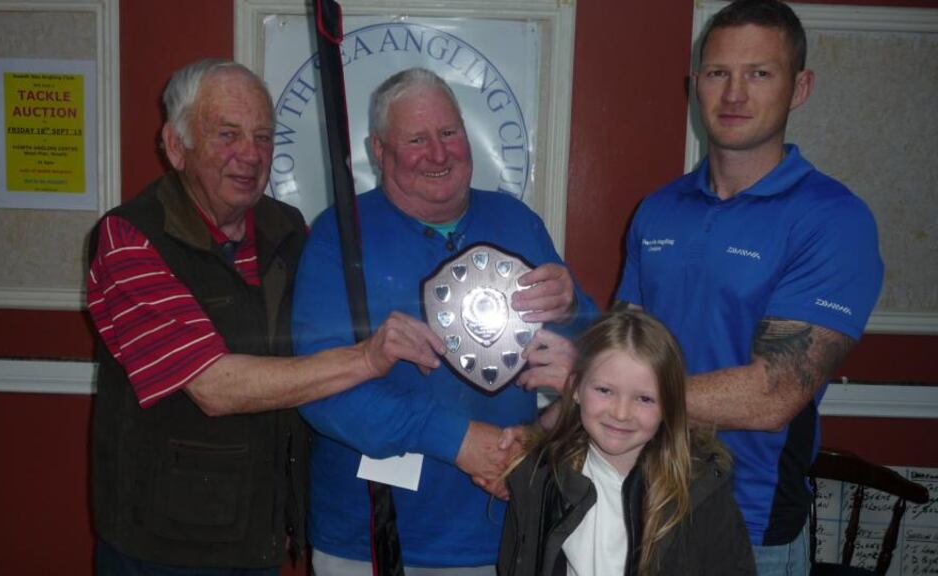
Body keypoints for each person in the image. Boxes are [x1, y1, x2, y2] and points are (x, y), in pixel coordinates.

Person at [86, 59, 444, 575]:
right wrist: (367, 358)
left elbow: (337, 323)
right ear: (175, 144)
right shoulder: (130, 239)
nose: (250, 155)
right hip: (164, 546)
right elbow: (215, 386)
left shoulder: (287, 229)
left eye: (262, 136)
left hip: (260, 531)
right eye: (227, 135)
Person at [291, 67, 599, 574]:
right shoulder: (339, 237)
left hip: (507, 524)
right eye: (416, 139)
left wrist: (574, 311)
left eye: (449, 132)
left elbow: (597, 356)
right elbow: (319, 390)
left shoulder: (518, 221)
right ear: (379, 151)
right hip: (370, 538)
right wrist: (457, 440)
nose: (438, 153)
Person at [613, 1, 885, 574]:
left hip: (747, 524)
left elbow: (772, 395)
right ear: (696, 85)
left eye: (759, 73)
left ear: (800, 86)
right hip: (636, 499)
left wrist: (614, 401)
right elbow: (623, 346)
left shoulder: (834, 220)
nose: (734, 95)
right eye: (718, 74)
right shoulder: (658, 210)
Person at [498, 310, 755, 576]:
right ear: (575, 388)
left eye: (644, 399)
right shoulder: (539, 477)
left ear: (669, 405)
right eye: (605, 391)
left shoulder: (701, 491)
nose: (621, 413)